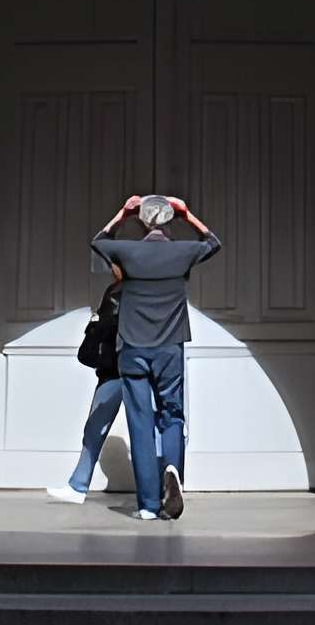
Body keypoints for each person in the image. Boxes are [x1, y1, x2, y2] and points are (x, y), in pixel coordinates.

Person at [90, 192, 221, 522]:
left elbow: (99, 240)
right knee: (172, 414)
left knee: (140, 424)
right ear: (168, 220)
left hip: (132, 349)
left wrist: (123, 212)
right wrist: (187, 214)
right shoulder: (183, 252)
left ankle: (148, 505)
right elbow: (212, 241)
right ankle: (173, 468)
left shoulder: (127, 251)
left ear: (143, 221)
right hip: (169, 349)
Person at [46, 267, 123, 506]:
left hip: (124, 368)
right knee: (94, 428)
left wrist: (98, 322)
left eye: (114, 263)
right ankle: (77, 486)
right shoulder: (115, 290)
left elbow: (111, 326)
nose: (111, 268)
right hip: (114, 368)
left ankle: (78, 487)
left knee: (103, 428)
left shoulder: (127, 292)